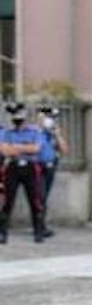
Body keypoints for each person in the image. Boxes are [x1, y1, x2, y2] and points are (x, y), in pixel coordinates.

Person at [0, 103, 49, 244]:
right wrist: (24, 148)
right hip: (12, 167)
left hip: (31, 168)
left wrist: (15, 147)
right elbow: (4, 151)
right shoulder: (7, 133)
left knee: (35, 200)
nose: (17, 120)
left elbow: (36, 149)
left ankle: (38, 232)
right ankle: (3, 233)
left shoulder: (34, 132)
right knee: (7, 201)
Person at [37, 106, 68, 237]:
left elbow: (65, 150)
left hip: (50, 167)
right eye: (48, 117)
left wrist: (57, 135)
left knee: (44, 197)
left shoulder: (53, 134)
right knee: (41, 196)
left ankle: (41, 225)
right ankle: (39, 226)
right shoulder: (36, 132)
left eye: (52, 118)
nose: (50, 121)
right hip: (37, 167)